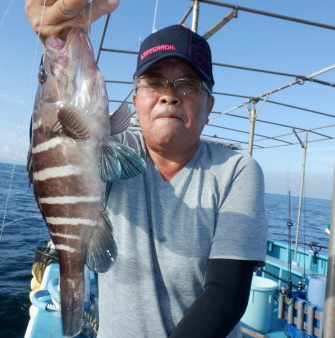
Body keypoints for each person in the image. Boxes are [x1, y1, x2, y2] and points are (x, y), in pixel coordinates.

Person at [25, 1, 268, 337]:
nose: (169, 96)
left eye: (188, 84)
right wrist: (54, 38)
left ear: (209, 105)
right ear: (135, 98)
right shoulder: (115, 147)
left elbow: (225, 296)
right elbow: (61, 138)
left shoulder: (236, 170)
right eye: (154, 82)